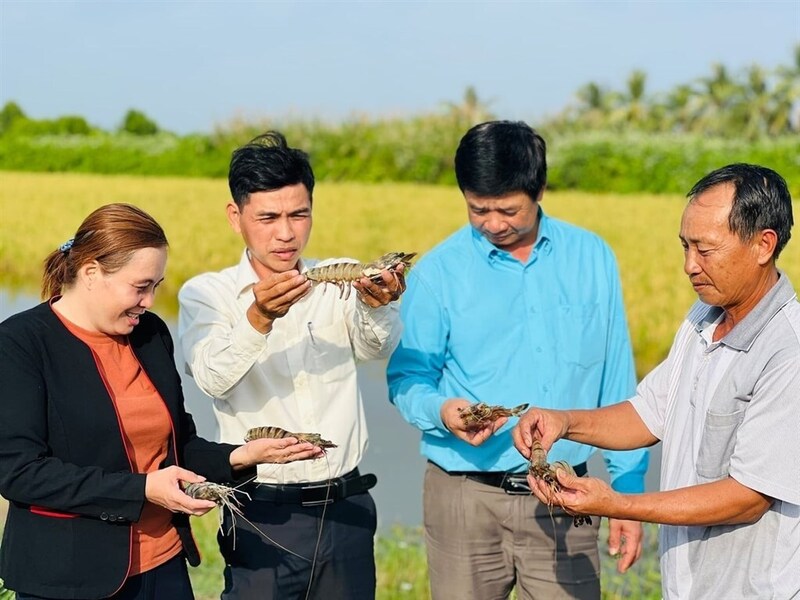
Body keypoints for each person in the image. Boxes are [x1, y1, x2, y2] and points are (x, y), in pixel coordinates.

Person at [0, 203, 320, 600]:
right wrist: (143, 489)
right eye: (140, 286)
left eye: (156, 286)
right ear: (91, 273)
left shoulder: (149, 334)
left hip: (164, 567)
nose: (150, 301)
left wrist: (242, 456)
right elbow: (19, 473)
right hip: (69, 579)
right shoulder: (19, 343)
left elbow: (177, 446)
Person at [386, 120, 648, 599]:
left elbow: (618, 384)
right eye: (477, 209)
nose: (492, 223)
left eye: (507, 209)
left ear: (540, 189)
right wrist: (443, 412)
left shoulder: (592, 259)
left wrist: (626, 496)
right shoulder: (437, 274)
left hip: (568, 495)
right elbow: (407, 379)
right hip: (464, 499)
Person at [514, 163, 799, 599]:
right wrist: (565, 422)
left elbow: (748, 496)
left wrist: (618, 505)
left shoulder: (787, 349)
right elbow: (649, 413)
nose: (689, 266)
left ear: (764, 244)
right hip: (687, 583)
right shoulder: (703, 317)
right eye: (684, 247)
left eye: (705, 250)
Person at [177, 131, 406, 599]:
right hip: (262, 512)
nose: (286, 233)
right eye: (268, 217)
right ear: (235, 217)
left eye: (299, 214)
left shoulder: (340, 274)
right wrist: (258, 318)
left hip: (347, 507)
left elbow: (376, 347)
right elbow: (212, 378)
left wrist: (379, 305)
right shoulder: (207, 294)